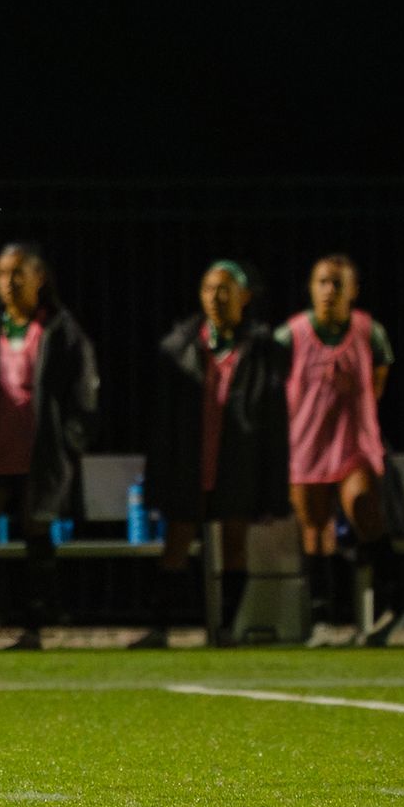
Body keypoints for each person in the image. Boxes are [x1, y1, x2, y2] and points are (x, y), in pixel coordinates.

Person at [0, 242, 98, 649]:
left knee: (36, 534)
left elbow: (83, 395)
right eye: (2, 273)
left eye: (18, 273)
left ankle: (34, 625)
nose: (9, 282)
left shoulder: (60, 331)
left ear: (39, 278)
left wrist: (69, 441)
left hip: (40, 457)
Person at [141, 261, 289, 647]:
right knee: (177, 540)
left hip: (236, 457)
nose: (217, 297)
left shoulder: (260, 349)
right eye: (209, 288)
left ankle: (224, 629)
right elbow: (162, 417)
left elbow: (273, 414)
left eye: (225, 289)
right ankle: (161, 627)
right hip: (192, 458)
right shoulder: (180, 348)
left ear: (245, 296)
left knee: (234, 543)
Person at [278, 253, 396, 645]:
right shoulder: (290, 335)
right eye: (322, 282)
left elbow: (380, 376)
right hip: (307, 444)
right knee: (314, 531)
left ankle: (394, 604)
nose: (330, 290)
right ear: (311, 289)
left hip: (353, 444)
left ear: (353, 290)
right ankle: (323, 619)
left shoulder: (368, 332)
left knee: (363, 506)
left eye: (337, 283)